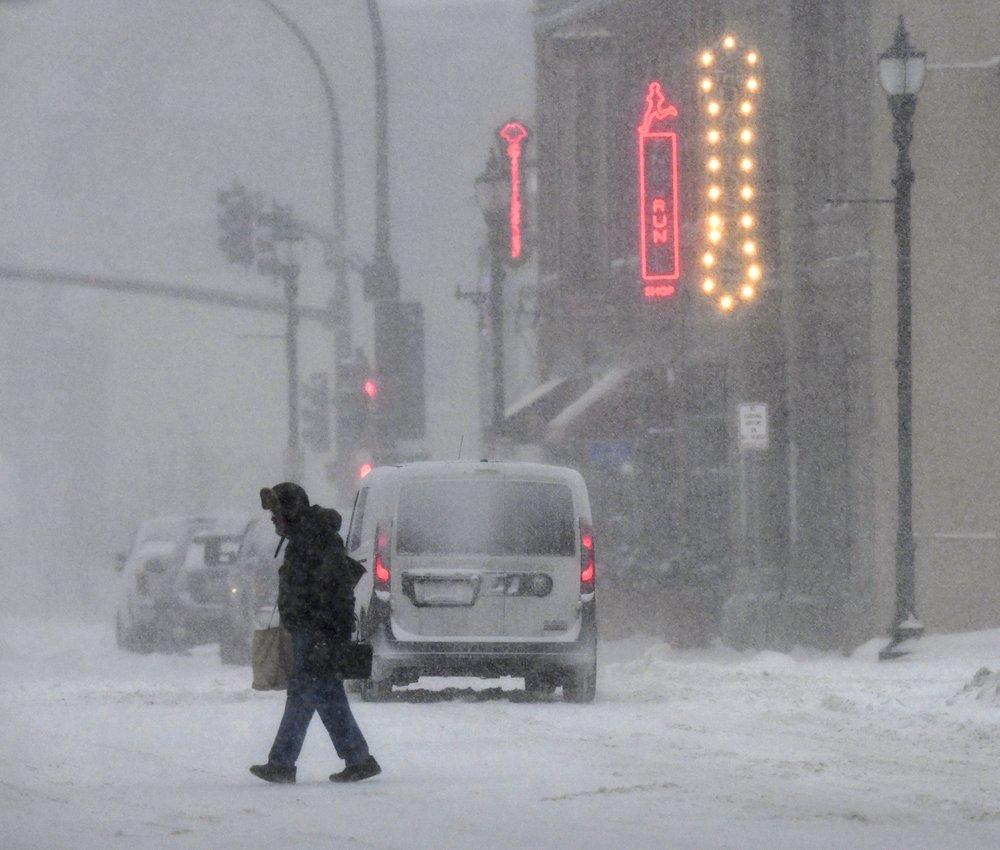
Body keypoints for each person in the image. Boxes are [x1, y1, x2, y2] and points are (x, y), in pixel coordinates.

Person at [249, 482, 381, 784]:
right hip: (313, 630)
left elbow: (328, 590)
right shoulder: (307, 537)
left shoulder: (315, 539)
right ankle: (358, 758)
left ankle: (282, 763)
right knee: (327, 695)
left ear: (290, 510)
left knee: (302, 695)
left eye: (275, 513)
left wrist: (323, 634)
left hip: (317, 631)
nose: (272, 519)